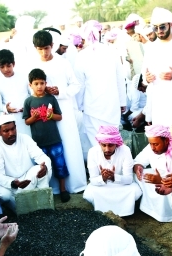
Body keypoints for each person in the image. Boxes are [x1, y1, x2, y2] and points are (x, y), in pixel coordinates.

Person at [29, 30, 87, 194]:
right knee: (50, 147)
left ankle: (74, 185)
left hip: (64, 110)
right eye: (40, 49)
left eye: (46, 48)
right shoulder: (33, 65)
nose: (44, 52)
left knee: (69, 144)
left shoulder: (63, 63)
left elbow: (76, 85)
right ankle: (54, 187)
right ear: (35, 49)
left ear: (52, 46)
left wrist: (59, 91)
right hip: (44, 115)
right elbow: (30, 88)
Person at [74, 20, 127, 151]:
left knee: (97, 144)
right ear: (100, 32)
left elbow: (80, 85)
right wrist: (122, 102)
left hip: (92, 107)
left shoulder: (81, 56)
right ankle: (116, 162)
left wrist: (79, 105)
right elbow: (120, 79)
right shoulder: (111, 51)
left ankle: (101, 163)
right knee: (112, 141)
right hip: (112, 105)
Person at [23, 68, 70, 202]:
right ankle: (45, 192)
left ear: (46, 83)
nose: (39, 86)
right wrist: (34, 117)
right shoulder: (28, 101)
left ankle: (63, 190)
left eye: (42, 83)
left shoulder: (51, 98)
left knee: (60, 164)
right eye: (36, 84)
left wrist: (51, 116)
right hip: (38, 143)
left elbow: (59, 116)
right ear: (30, 85)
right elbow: (26, 121)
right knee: (42, 168)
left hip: (54, 140)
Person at [0, 114, 51, 214]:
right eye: (6, 131)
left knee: (41, 169)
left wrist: (45, 166)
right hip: (9, 183)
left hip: (27, 177)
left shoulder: (24, 138)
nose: (11, 133)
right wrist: (13, 183)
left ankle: (44, 205)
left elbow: (41, 156)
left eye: (13, 129)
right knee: (4, 195)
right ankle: (20, 210)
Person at [83, 125, 141, 217]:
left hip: (121, 185)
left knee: (136, 191)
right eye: (104, 145)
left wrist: (114, 177)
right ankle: (103, 213)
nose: (107, 149)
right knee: (88, 194)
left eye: (110, 145)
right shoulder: (92, 152)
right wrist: (103, 178)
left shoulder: (125, 150)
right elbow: (93, 180)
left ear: (116, 144)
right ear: (99, 143)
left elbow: (129, 179)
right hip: (102, 186)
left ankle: (123, 212)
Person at [133, 124, 172, 222]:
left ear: (166, 141)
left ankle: (168, 215)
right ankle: (150, 210)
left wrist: (161, 180)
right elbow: (138, 161)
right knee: (141, 175)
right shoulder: (151, 147)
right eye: (150, 144)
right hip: (157, 177)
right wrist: (138, 168)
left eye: (156, 144)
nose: (152, 148)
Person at [0, 48, 32, 137]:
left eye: (8, 66)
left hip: (28, 116)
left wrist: (29, 106)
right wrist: (6, 109)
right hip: (11, 120)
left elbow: (32, 94)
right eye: (2, 67)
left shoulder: (24, 77)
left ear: (13, 64)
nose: (6, 69)